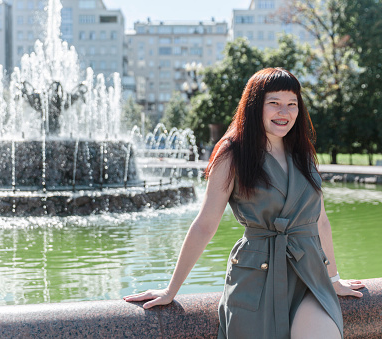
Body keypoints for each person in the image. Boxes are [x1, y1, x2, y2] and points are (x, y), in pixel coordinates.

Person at [124, 68, 365, 339]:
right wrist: (171, 290)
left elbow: (320, 221)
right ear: (254, 106)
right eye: (273, 103)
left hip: (309, 275)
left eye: (292, 104)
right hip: (256, 277)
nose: (284, 112)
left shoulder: (302, 153)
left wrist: (333, 280)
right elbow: (205, 224)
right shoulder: (232, 154)